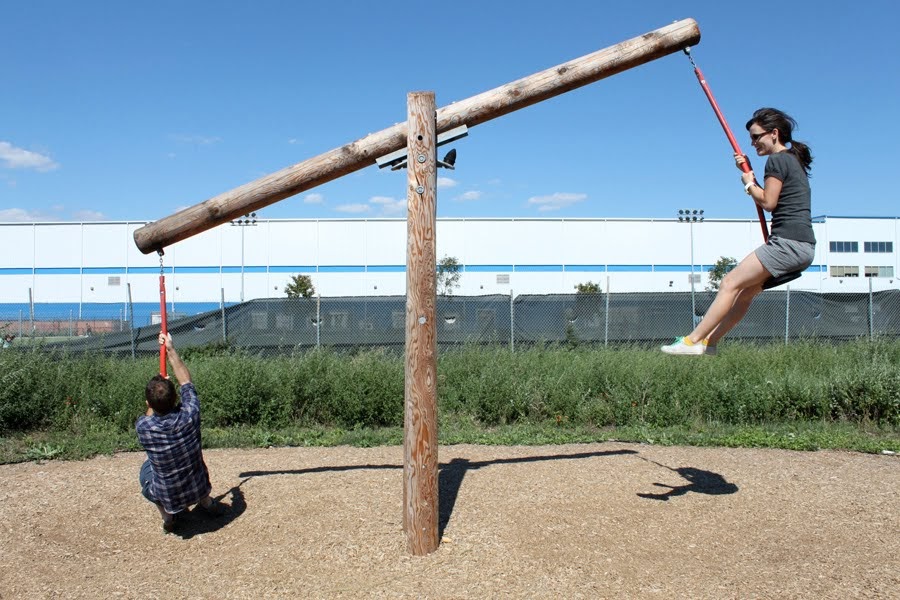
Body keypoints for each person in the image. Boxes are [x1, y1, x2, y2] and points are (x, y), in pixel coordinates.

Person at [662, 107, 815, 355]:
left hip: (788, 244)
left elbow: (768, 202)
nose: (753, 143)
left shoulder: (777, 160)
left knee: (729, 283)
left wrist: (747, 183)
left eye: (757, 137)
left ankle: (693, 341)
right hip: (803, 247)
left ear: (774, 133)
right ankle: (710, 344)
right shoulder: (791, 159)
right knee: (744, 293)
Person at [137, 332, 226, 533]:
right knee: (191, 457)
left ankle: (168, 516)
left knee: (146, 468)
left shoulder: (145, 428)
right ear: (176, 397)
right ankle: (206, 502)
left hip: (168, 494)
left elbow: (150, 415)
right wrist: (170, 349)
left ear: (148, 404)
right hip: (198, 485)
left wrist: (156, 396)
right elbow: (186, 382)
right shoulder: (190, 414)